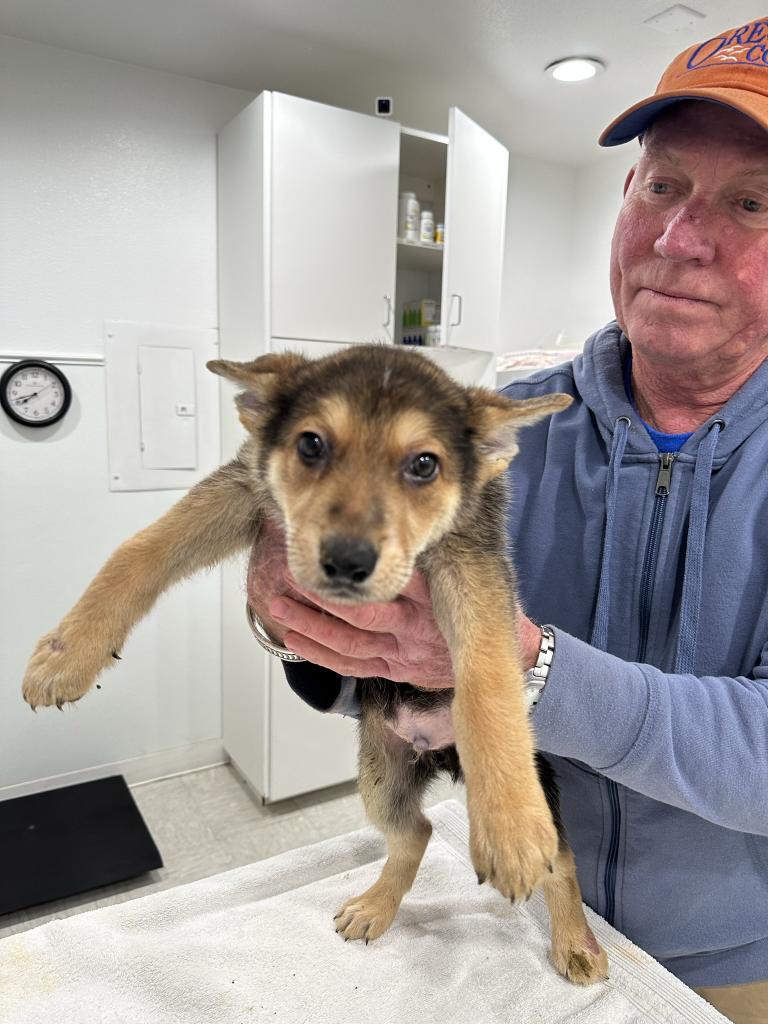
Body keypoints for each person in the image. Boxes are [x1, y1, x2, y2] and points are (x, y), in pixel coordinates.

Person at [246, 18, 768, 1024]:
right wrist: (300, 614)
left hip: (731, 955)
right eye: (663, 185)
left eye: (752, 202)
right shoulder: (493, 430)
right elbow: (380, 644)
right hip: (505, 912)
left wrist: (530, 671)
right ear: (625, 195)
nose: (678, 238)